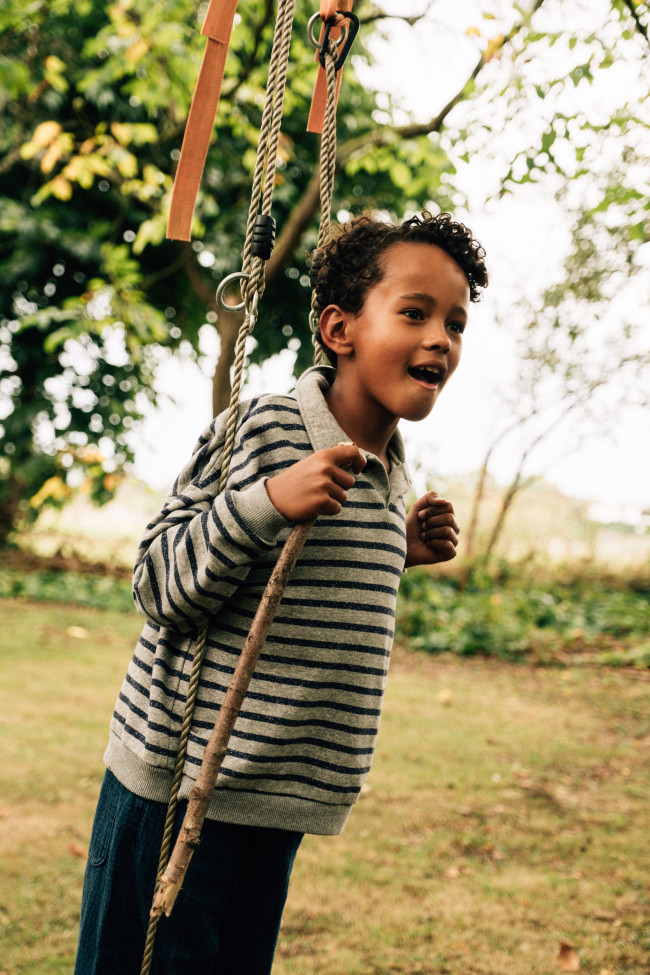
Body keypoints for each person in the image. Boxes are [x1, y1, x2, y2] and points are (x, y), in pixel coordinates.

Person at [74, 210, 488, 974]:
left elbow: (301, 589)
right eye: (415, 313)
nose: (441, 339)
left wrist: (393, 552)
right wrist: (265, 500)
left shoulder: (389, 470)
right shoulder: (265, 428)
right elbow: (157, 580)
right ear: (339, 329)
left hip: (275, 802)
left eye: (456, 323)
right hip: (177, 796)